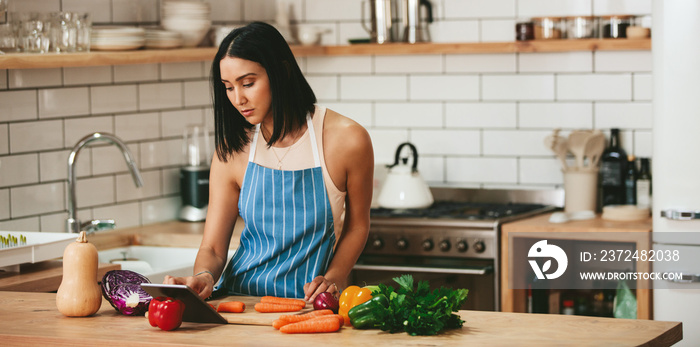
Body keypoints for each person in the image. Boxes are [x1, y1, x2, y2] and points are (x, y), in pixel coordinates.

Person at [164, 21, 374, 303]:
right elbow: (213, 249)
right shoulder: (233, 149)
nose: (238, 99)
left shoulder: (347, 140)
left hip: (308, 306)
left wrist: (333, 278)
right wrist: (204, 277)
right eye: (228, 87)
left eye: (248, 83)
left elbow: (357, 226)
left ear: (281, 72)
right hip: (239, 301)